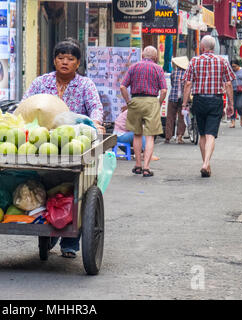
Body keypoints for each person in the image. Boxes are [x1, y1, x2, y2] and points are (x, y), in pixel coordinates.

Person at [22, 38, 104, 259]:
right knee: (44, 185)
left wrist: (96, 122)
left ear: (78, 63)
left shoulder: (85, 85)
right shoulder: (41, 83)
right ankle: (48, 227)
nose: (65, 62)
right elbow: (25, 105)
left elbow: (95, 107)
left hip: (73, 144)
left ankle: (70, 241)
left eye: (70, 59)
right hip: (42, 143)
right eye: (60, 58)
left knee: (76, 190)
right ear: (54, 60)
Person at [181, 35, 235, 178]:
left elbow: (187, 84)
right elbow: (228, 83)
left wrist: (185, 104)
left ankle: (206, 163)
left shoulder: (194, 61)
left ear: (202, 47)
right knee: (211, 134)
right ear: (214, 47)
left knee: (203, 134)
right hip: (215, 100)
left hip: (199, 100)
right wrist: (231, 103)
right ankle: (206, 163)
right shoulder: (222, 61)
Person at [120, 46, 167, 177]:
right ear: (155, 57)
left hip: (135, 100)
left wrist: (128, 102)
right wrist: (159, 102)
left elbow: (123, 86)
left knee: (137, 134)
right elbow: (163, 90)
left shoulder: (133, 67)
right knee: (150, 135)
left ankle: (138, 165)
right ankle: (146, 167)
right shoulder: (158, 68)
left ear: (142, 56)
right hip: (151, 101)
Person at [165, 56, 189, 144]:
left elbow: (172, 83)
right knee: (182, 117)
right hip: (183, 98)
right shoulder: (187, 74)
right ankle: (179, 137)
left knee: (170, 117)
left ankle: (168, 137)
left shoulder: (173, 73)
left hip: (173, 97)